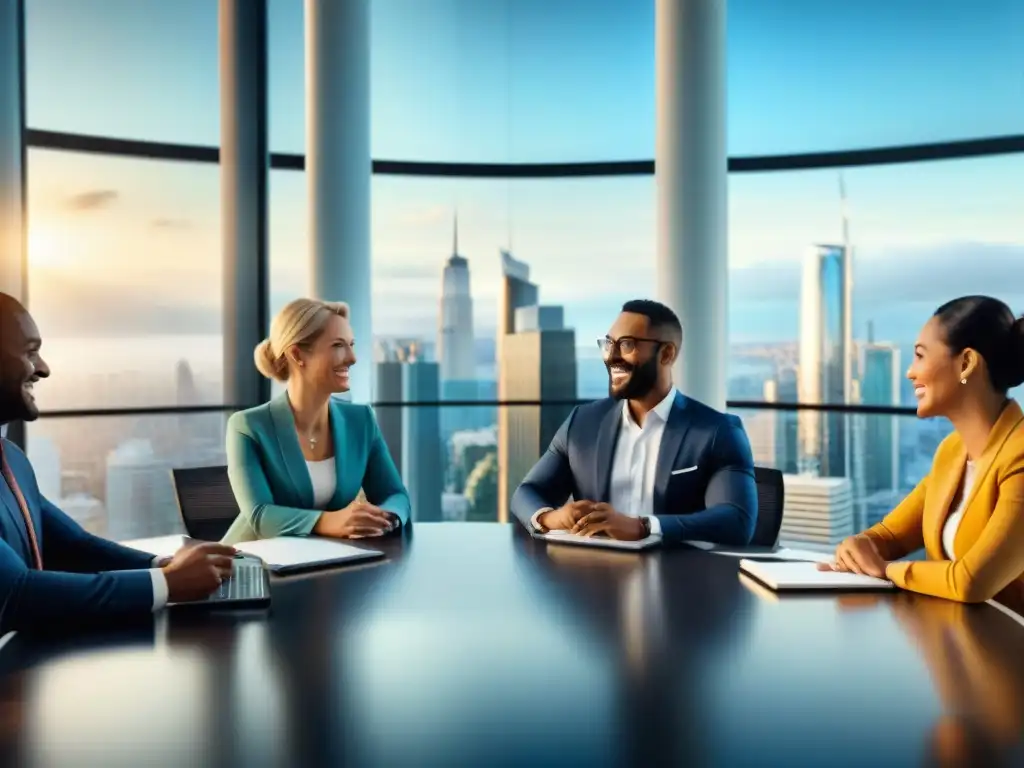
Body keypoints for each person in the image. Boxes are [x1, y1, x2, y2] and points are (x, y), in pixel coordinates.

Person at [0, 293, 235, 634]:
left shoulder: (14, 461)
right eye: (30, 351)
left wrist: (165, 566)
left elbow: (72, 545)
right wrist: (166, 584)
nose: (43, 368)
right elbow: (16, 594)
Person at [821, 295, 1024, 606]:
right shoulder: (952, 451)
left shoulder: (1019, 456)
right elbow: (892, 536)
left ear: (966, 363)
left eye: (919, 356)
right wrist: (859, 545)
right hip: (955, 644)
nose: (910, 372)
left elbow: (971, 582)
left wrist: (886, 570)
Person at [511, 299, 758, 545]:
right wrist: (551, 517)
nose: (611, 357)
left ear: (667, 354)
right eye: (608, 344)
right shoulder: (582, 424)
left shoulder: (717, 431)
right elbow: (527, 492)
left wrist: (643, 527)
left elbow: (736, 520)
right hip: (592, 575)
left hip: (680, 575)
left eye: (626, 344)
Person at [222, 298, 410, 544]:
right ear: (298, 354)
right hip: (252, 567)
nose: (352, 358)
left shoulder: (360, 421)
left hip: (329, 563)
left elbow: (395, 494)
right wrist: (331, 521)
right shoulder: (247, 427)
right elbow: (260, 516)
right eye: (338, 345)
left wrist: (387, 519)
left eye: (351, 345)